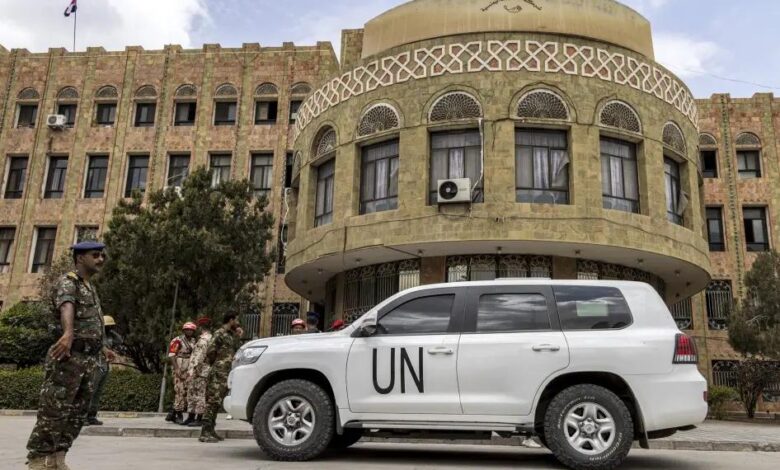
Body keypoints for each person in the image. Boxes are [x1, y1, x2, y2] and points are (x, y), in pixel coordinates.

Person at [26, 241, 111, 470]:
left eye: (102, 255)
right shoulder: (68, 282)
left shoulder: (89, 287)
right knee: (54, 410)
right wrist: (68, 333)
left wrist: (102, 347)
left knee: (77, 413)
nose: (101, 259)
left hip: (89, 359)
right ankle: (38, 460)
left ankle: (58, 459)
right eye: (96, 255)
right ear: (80, 258)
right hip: (69, 356)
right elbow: (66, 306)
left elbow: (92, 321)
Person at [199, 312, 243, 443]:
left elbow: (236, 351)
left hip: (226, 372)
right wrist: (219, 363)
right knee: (212, 402)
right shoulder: (219, 333)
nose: (238, 323)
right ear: (231, 320)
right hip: (218, 372)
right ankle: (204, 433)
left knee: (217, 403)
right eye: (236, 320)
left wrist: (239, 336)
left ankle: (211, 430)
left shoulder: (230, 335)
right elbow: (210, 351)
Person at [86, 315, 123, 426]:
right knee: (91, 391)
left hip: (105, 365)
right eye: (107, 326)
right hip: (96, 365)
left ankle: (92, 416)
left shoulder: (110, 336)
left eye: (111, 326)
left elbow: (120, 340)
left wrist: (112, 331)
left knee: (98, 392)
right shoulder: (97, 336)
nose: (109, 328)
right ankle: (84, 416)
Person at [167, 322, 197, 424]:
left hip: (189, 367)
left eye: (191, 330)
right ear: (184, 330)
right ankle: (179, 415)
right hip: (179, 365)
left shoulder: (194, 341)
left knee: (186, 392)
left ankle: (172, 413)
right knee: (179, 390)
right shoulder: (178, 340)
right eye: (187, 330)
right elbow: (172, 355)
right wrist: (176, 369)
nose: (189, 331)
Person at [185, 316, 213, 427]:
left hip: (199, 371)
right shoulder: (210, 338)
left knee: (198, 394)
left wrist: (195, 370)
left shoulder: (203, 340)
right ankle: (191, 416)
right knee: (193, 393)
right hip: (202, 371)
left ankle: (198, 418)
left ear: (201, 327)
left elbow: (200, 357)